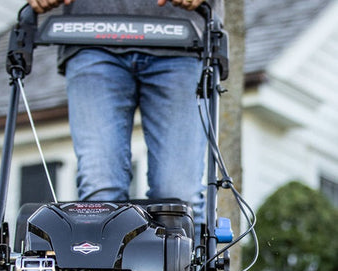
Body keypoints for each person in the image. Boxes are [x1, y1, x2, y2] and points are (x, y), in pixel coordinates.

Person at [27, 0, 224, 234]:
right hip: (89, 35)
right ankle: (100, 269)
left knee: (179, 195)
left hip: (183, 38)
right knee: (100, 190)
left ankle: (181, 267)